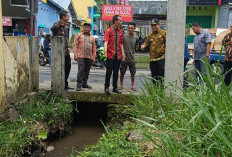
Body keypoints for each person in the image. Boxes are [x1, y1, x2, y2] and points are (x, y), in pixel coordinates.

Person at [51, 10, 74, 91]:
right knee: (59, 69)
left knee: (68, 67)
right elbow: (52, 28)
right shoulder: (57, 25)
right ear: (63, 17)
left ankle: (65, 84)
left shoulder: (65, 27)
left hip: (66, 51)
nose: (68, 18)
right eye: (68, 16)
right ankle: (59, 85)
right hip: (59, 53)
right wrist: (61, 24)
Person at [103, 15, 125, 94]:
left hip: (118, 55)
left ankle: (115, 88)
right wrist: (105, 50)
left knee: (116, 72)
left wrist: (123, 54)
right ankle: (106, 87)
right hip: (110, 55)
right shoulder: (108, 31)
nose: (121, 22)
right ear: (115, 21)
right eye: (120, 21)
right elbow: (106, 41)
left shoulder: (121, 31)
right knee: (109, 72)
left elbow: (121, 44)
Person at [141, 19, 166, 86]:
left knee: (161, 76)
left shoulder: (164, 33)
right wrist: (143, 46)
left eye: (155, 25)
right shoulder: (150, 35)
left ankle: (161, 91)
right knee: (154, 77)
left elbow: (168, 44)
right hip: (152, 60)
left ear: (158, 25)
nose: (153, 27)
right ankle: (155, 91)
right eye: (152, 25)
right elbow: (146, 43)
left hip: (161, 59)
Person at [73, 23, 96, 91]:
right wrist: (75, 55)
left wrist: (93, 57)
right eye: (85, 27)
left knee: (87, 71)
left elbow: (94, 48)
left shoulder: (92, 38)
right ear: (83, 28)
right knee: (81, 70)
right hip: (81, 56)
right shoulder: (78, 35)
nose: (86, 28)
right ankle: (79, 85)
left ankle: (84, 83)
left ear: (90, 29)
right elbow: (75, 45)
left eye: (88, 27)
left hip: (89, 56)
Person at [119, 22, 139, 91]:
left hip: (132, 58)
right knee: (122, 72)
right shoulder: (124, 36)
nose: (130, 29)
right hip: (124, 58)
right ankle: (121, 85)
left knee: (133, 73)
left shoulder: (136, 38)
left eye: (132, 28)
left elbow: (136, 45)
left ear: (134, 29)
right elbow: (120, 44)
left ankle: (132, 86)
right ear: (128, 28)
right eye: (129, 28)